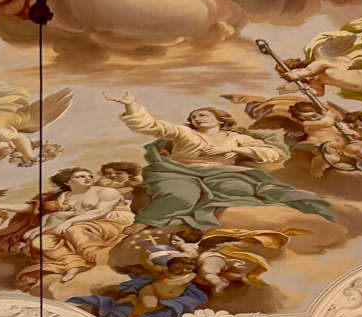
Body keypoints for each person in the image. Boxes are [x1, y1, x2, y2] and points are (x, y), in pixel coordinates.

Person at [106, 90, 335, 231]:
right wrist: (130, 105)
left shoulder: (236, 138)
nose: (197, 118)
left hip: (223, 172)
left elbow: (273, 153)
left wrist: (243, 152)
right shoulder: (183, 133)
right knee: (181, 196)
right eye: (194, 117)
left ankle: (318, 210)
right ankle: (145, 221)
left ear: (219, 119)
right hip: (179, 171)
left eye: (203, 114)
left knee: (257, 190)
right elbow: (151, 125)